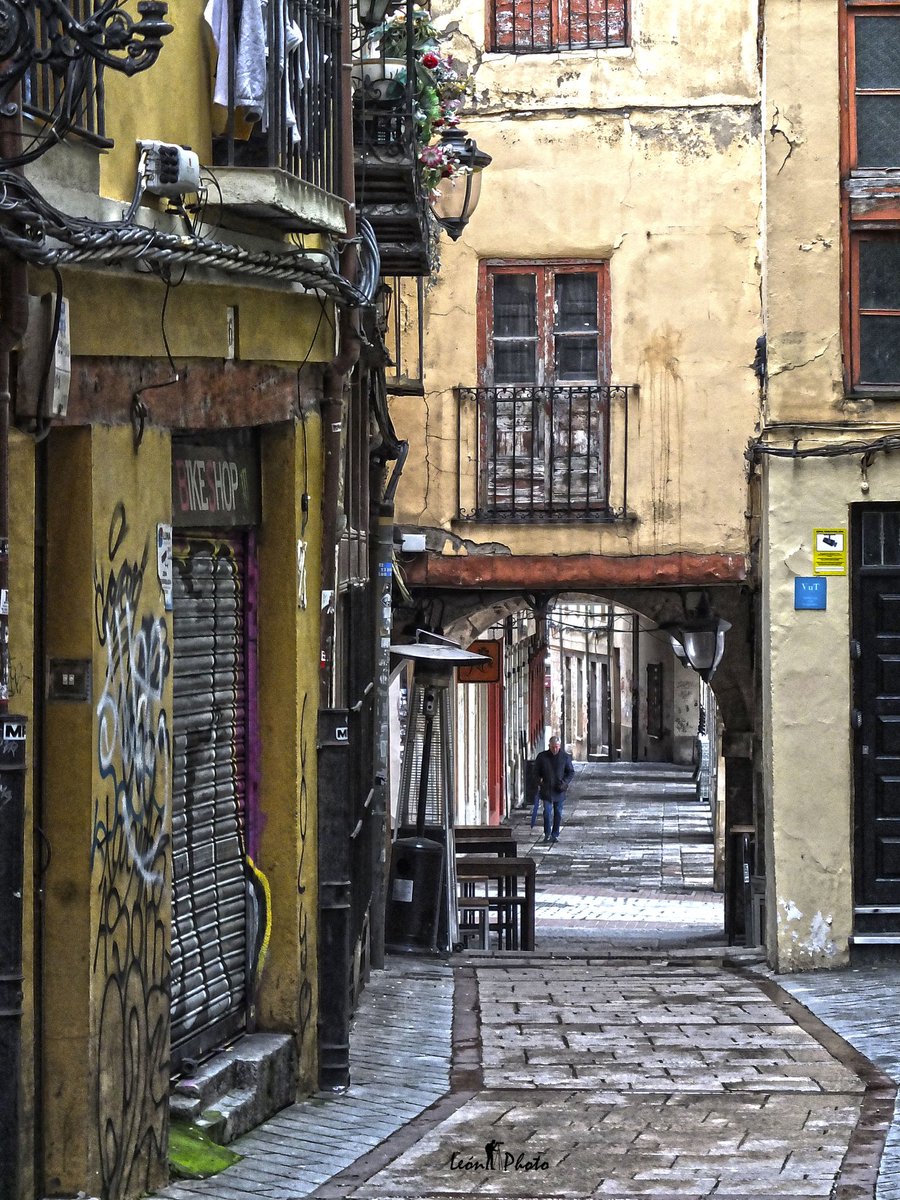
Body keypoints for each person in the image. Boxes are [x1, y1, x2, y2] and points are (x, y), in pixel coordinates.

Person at [533, 735, 574, 844]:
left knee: (558, 813)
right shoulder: (542, 757)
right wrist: (539, 781)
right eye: (552, 747)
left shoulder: (565, 757)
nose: (554, 749)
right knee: (547, 812)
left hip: (559, 789)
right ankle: (547, 833)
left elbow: (570, 772)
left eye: (556, 747)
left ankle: (555, 834)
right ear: (549, 746)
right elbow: (535, 771)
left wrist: (564, 782)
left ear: (559, 746)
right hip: (546, 789)